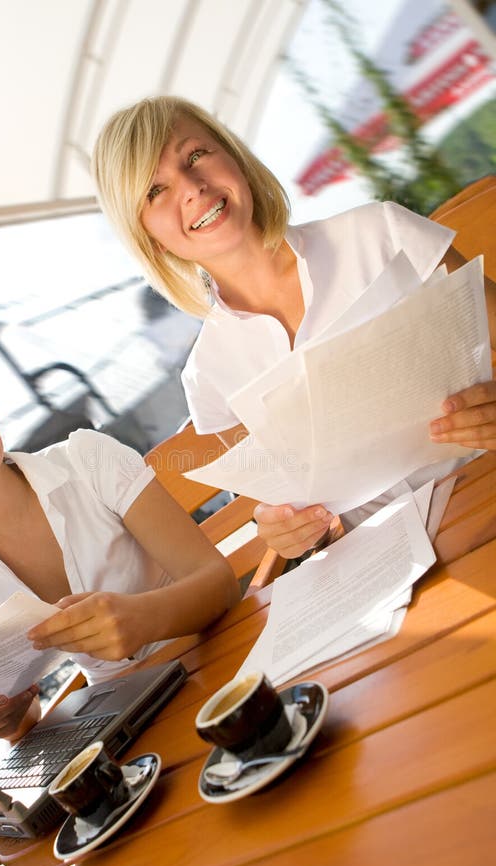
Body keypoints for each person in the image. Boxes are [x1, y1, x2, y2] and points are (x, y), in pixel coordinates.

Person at [91, 95, 496, 560]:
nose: (192, 187)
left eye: (196, 155)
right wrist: (296, 533)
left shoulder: (380, 234)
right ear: (150, 240)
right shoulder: (209, 376)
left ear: (235, 159)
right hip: (392, 563)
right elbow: (301, 514)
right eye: (154, 190)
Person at [0, 352, 239, 741]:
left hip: (214, 654)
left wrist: (142, 618)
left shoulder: (87, 458)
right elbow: (23, 712)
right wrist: (8, 719)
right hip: (122, 720)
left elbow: (220, 584)